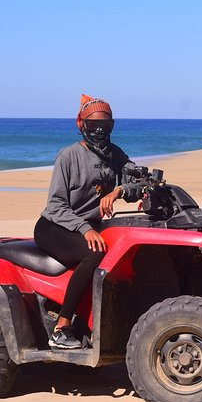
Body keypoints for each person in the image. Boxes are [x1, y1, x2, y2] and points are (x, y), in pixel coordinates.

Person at [34, 94, 145, 349]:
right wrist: (84, 229)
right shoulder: (69, 156)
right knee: (94, 254)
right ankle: (62, 327)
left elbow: (138, 179)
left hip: (87, 227)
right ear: (81, 123)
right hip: (55, 226)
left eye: (105, 126)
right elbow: (56, 205)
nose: (99, 130)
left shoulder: (115, 155)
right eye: (93, 124)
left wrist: (119, 191)